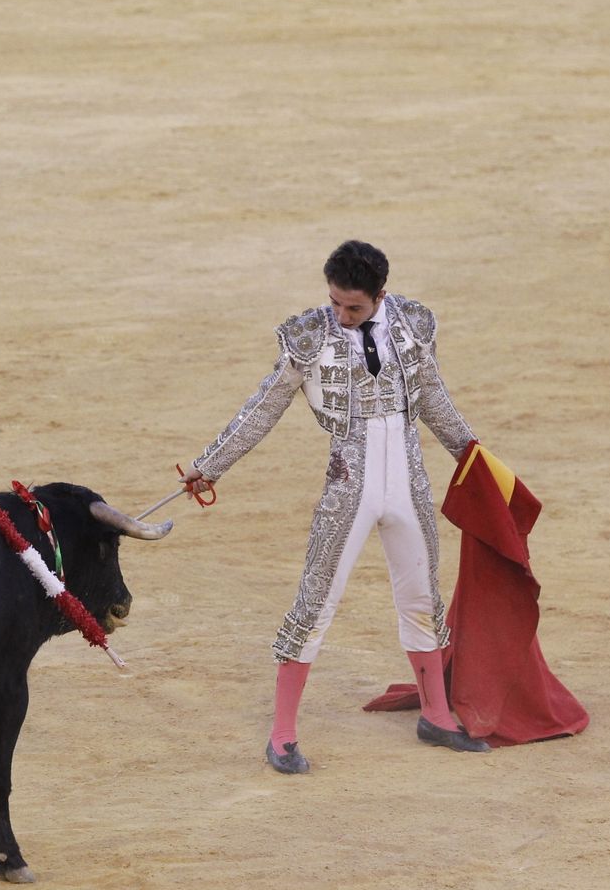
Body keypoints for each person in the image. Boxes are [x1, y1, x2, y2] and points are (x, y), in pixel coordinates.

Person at [180, 240, 489, 774]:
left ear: (380, 297)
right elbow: (264, 407)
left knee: (422, 599)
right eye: (336, 304)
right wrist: (211, 464)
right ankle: (281, 735)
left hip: (409, 482)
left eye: (354, 308)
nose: (342, 317)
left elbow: (434, 398)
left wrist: (474, 457)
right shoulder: (309, 336)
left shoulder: (412, 324)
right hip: (349, 486)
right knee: (316, 600)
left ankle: (437, 715)